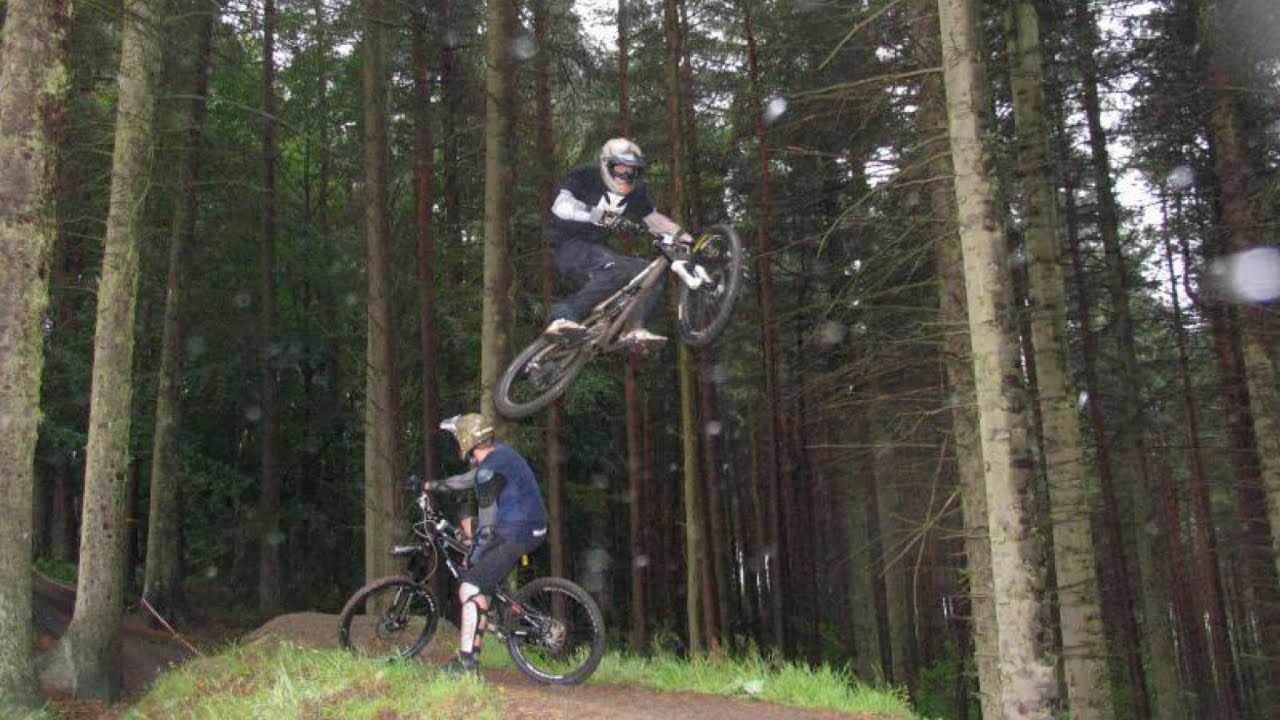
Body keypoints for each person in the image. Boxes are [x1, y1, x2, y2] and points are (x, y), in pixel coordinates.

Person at [426, 413, 549, 676]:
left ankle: (467, 663)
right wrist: (433, 486)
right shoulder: (502, 454)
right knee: (467, 526)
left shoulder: (487, 473)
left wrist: (475, 556)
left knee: (470, 585)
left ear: (466, 443)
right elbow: (469, 479)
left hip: (516, 532)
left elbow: (488, 525)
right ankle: (487, 598)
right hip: (531, 525)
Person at [542, 137, 694, 345]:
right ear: (606, 165)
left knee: (649, 273)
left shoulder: (636, 191)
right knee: (613, 267)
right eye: (620, 169)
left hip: (595, 251)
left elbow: (653, 218)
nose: (625, 175)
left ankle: (632, 330)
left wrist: (681, 235)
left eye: (632, 171)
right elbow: (561, 206)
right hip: (567, 246)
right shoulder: (585, 175)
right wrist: (596, 215)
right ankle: (562, 318)